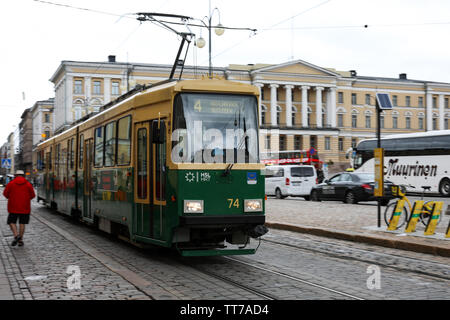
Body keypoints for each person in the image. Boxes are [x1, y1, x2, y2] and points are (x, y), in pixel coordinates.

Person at [3, 170, 35, 247]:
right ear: (23, 176)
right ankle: (20, 240)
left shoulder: (11, 184)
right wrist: (26, 199)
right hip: (25, 207)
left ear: (15, 175)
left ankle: (16, 235)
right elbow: (33, 195)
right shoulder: (28, 184)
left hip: (13, 207)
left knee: (11, 222)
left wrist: (10, 198)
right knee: (22, 223)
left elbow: (5, 193)